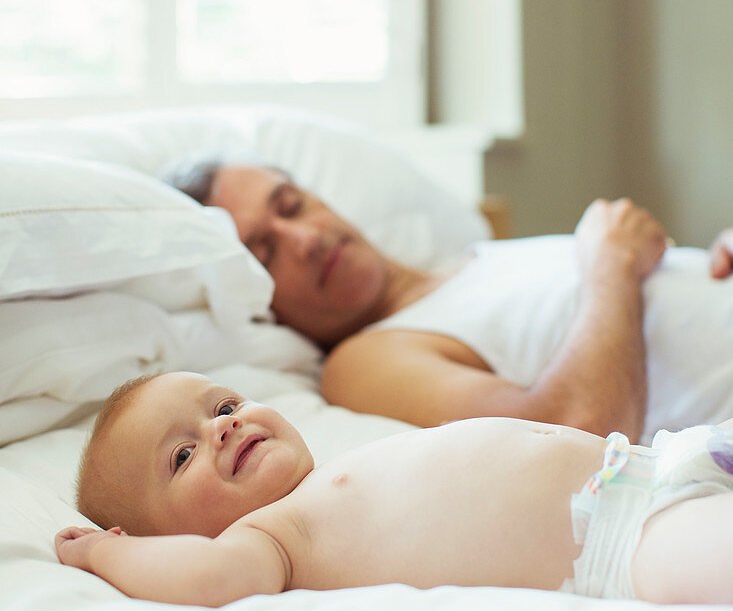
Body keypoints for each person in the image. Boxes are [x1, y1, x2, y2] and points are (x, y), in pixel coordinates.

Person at [166, 160, 733, 444]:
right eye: (265, 252)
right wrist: (612, 265)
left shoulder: (478, 258)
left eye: (291, 206)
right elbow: (572, 432)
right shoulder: (364, 362)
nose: (306, 240)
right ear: (252, 302)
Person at [57, 371, 733, 607]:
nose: (224, 429)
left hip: (661, 458)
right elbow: (209, 581)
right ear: (163, 540)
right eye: (181, 455)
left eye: (224, 404)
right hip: (627, 541)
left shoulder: (334, 475)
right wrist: (103, 555)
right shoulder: (268, 539)